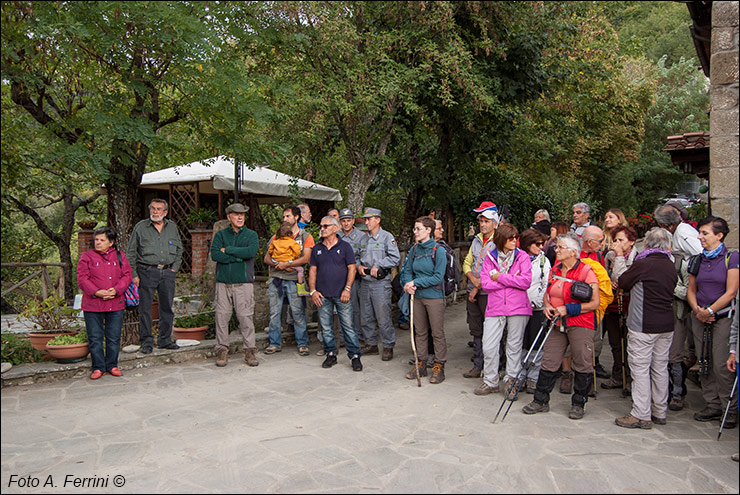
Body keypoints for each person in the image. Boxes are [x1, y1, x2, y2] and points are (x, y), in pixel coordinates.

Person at [522, 232, 600, 420]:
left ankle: (578, 403)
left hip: (580, 322)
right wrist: (548, 305)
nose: (556, 250)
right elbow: (548, 292)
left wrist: (569, 308)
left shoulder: (586, 272)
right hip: (556, 322)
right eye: (556, 247)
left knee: (582, 361)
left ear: (573, 251)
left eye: (560, 247)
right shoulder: (555, 269)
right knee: (549, 358)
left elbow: (595, 303)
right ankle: (540, 400)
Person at [614, 227, 678, 428]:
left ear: (647, 244)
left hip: (643, 324)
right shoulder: (670, 264)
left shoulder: (644, 263)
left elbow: (622, 281)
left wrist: (618, 257)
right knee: (660, 367)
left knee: (640, 368)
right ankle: (660, 411)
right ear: (667, 245)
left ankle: (641, 413)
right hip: (666, 324)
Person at [687, 216, 739, 428]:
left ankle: (730, 408)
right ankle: (712, 404)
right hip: (700, 317)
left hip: (722, 318)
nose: (700, 237)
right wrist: (698, 311)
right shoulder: (697, 259)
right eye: (700, 232)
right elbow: (692, 289)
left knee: (721, 364)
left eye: (705, 233)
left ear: (719, 235)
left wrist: (710, 310)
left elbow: (731, 291)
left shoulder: (731, 258)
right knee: (704, 361)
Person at [476, 222, 533, 398]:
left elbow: (525, 282)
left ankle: (511, 381)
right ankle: (490, 380)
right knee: (489, 345)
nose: (515, 241)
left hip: (518, 307)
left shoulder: (522, 256)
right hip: (495, 307)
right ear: (502, 240)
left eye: (516, 237)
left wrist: (500, 277)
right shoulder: (489, 257)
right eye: (511, 238)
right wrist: (510, 280)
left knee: (514, 346)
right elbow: (485, 284)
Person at [655, 203, 702, 411]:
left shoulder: (684, 235)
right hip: (662, 311)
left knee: (675, 353)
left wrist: (671, 288)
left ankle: (677, 393)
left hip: (678, 310)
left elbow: (699, 256)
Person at [126, 198, 183, 354]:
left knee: (167, 308)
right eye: (153, 208)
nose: (155, 212)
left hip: (167, 272)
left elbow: (179, 249)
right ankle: (147, 343)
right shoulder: (141, 227)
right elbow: (131, 253)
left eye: (159, 209)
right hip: (147, 272)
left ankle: (164, 340)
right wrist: (134, 274)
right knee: (145, 309)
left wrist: (174, 269)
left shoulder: (172, 227)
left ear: (165, 212)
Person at [308, 216, 363, 371]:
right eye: (321, 226)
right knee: (326, 327)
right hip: (323, 295)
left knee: (348, 327)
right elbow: (312, 271)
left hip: (342, 294)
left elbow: (352, 269)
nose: (322, 229)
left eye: (325, 226)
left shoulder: (345, 247)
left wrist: (347, 288)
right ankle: (331, 354)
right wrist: (313, 291)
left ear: (334, 228)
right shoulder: (317, 249)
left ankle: (355, 356)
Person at [77, 226, 132, 379]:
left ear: (111, 242)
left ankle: (112, 365)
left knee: (113, 336)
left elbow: (127, 275)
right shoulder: (86, 257)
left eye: (102, 240)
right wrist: (96, 292)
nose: (98, 243)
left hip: (115, 302)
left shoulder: (120, 256)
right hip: (93, 304)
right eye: (96, 240)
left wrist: (116, 290)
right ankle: (98, 367)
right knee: (95, 337)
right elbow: (82, 278)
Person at [210, 203, 260, 367]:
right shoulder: (221, 235)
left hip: (243, 283)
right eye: (236, 214)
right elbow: (216, 254)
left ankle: (250, 350)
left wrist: (229, 250)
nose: (240, 217)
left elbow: (250, 252)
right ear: (229, 217)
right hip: (223, 283)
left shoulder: (251, 235)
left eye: (242, 215)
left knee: (245, 317)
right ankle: (222, 350)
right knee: (221, 317)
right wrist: (238, 257)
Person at [263, 205, 315, 356]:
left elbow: (306, 258)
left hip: (294, 281)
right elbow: (266, 258)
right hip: (276, 280)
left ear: (297, 217)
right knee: (274, 313)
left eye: (288, 216)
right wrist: (279, 265)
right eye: (284, 216)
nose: (285, 219)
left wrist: (288, 264)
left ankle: (303, 344)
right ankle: (274, 343)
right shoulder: (276, 237)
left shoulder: (305, 236)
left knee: (298, 312)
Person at [403, 216, 449, 383]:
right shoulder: (414, 249)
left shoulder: (439, 250)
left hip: (434, 297)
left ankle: (439, 365)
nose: (415, 232)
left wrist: (416, 282)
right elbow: (407, 269)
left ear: (428, 230)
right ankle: (420, 363)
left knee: (437, 333)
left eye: (418, 229)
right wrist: (408, 283)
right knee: (420, 332)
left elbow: (438, 277)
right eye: (414, 229)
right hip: (417, 296)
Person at [461, 201, 500, 379]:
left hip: (490, 293)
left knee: (492, 331)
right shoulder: (477, 240)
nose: (483, 225)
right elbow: (467, 262)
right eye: (481, 221)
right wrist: (473, 280)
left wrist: (478, 286)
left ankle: (493, 368)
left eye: (486, 221)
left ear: (494, 223)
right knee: (476, 329)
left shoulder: (500, 241)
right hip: (474, 288)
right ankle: (478, 364)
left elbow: (497, 271)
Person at [357, 207, 401, 361]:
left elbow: (395, 258)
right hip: (365, 282)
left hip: (380, 283)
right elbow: (356, 257)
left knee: (383, 317)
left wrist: (379, 264)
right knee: (366, 316)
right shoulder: (363, 239)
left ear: (378, 220)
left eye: (369, 219)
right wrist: (359, 266)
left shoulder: (386, 237)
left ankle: (388, 345)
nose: (366, 222)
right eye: (365, 219)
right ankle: (371, 344)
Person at [601, 225, 638, 390]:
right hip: (613, 304)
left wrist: (620, 257)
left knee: (629, 343)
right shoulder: (609, 256)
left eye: (621, 240)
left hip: (630, 305)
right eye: (615, 240)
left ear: (631, 242)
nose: (617, 243)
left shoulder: (637, 258)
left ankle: (630, 378)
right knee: (615, 343)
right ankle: (617, 375)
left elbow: (622, 277)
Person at [520, 228, 551, 394]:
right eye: (537, 244)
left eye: (542, 244)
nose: (541, 247)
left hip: (537, 308)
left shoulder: (543, 261)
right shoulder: (517, 258)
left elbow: (546, 284)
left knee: (536, 342)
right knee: (519, 342)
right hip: (518, 308)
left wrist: (539, 301)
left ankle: (533, 376)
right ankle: (519, 375)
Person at [338, 208, 367, 342]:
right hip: (338, 278)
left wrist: (353, 265)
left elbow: (364, 258)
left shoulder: (361, 237)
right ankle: (342, 337)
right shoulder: (336, 236)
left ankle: (357, 336)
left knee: (355, 308)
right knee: (339, 307)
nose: (346, 224)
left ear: (353, 221)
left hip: (354, 277)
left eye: (348, 220)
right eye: (343, 221)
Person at [268, 222, 308, 294]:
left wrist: (274, 255)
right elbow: (297, 251)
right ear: (290, 234)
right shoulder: (292, 242)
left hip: (276, 260)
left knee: (270, 265)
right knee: (300, 270)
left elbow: (270, 250)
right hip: (288, 260)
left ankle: (269, 278)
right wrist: (295, 257)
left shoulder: (275, 241)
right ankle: (300, 288)